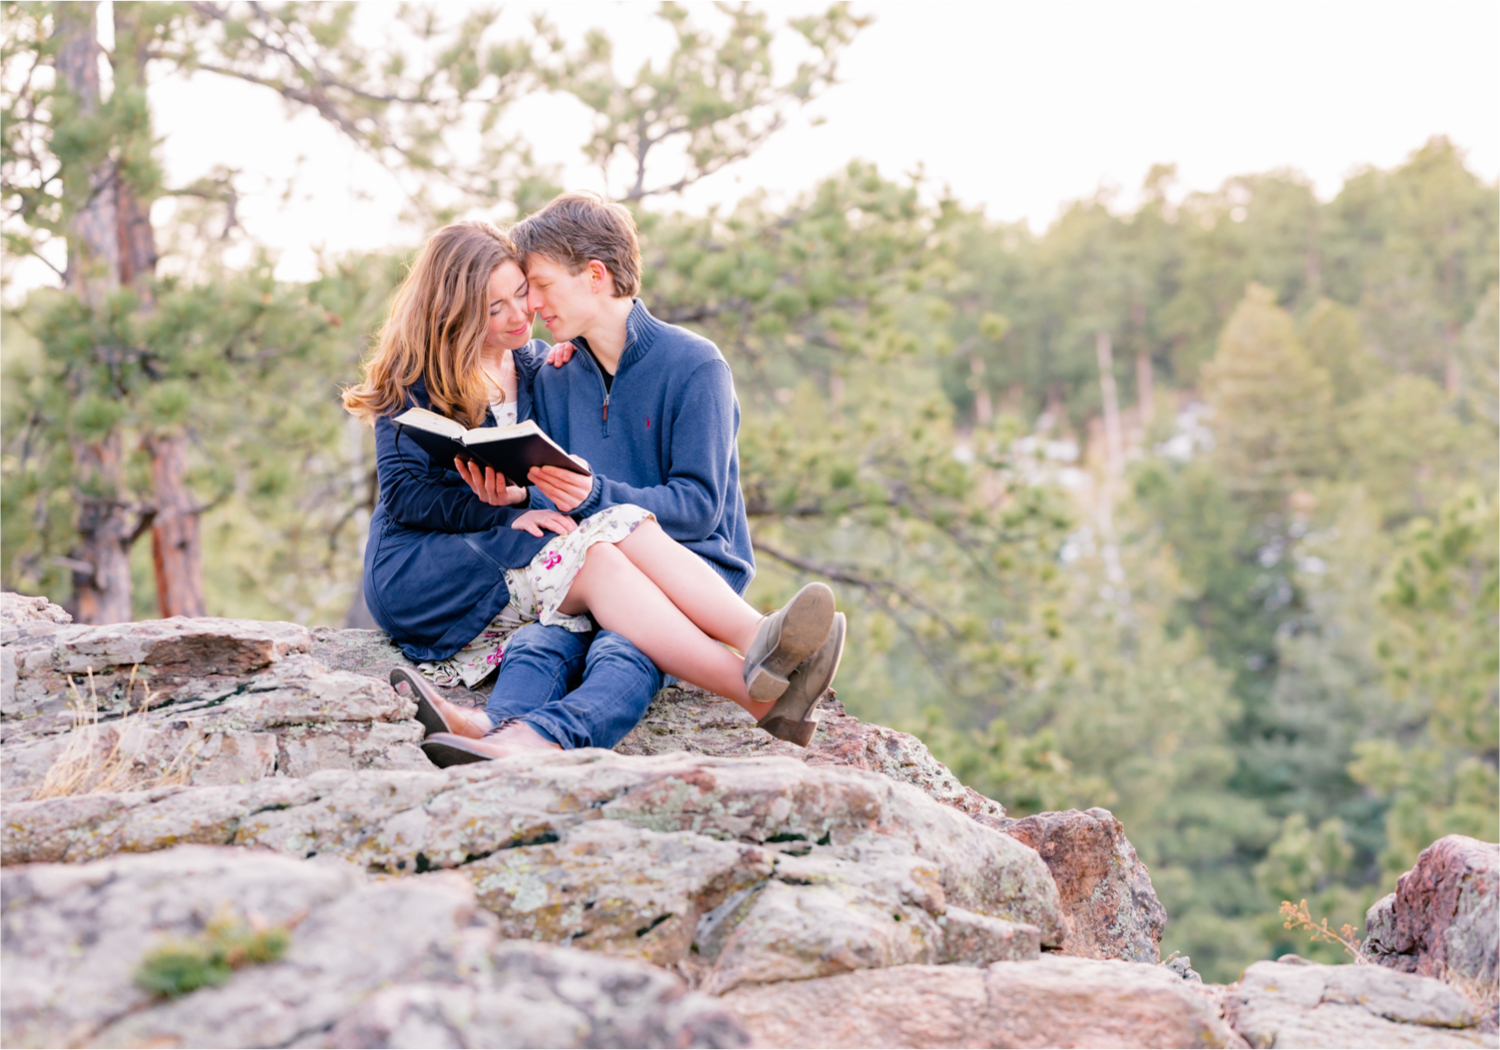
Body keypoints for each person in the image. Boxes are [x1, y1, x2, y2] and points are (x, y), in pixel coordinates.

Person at [343, 218, 844, 765]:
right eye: (498, 307)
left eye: (526, 293)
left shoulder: (551, 367)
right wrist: (504, 507)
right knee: (597, 555)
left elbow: (667, 504)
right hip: (442, 564)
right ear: (455, 313)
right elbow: (412, 495)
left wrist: (527, 494)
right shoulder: (420, 378)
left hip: (556, 556)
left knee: (576, 617)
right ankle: (759, 668)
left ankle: (502, 729)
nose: (524, 312)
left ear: (596, 277)